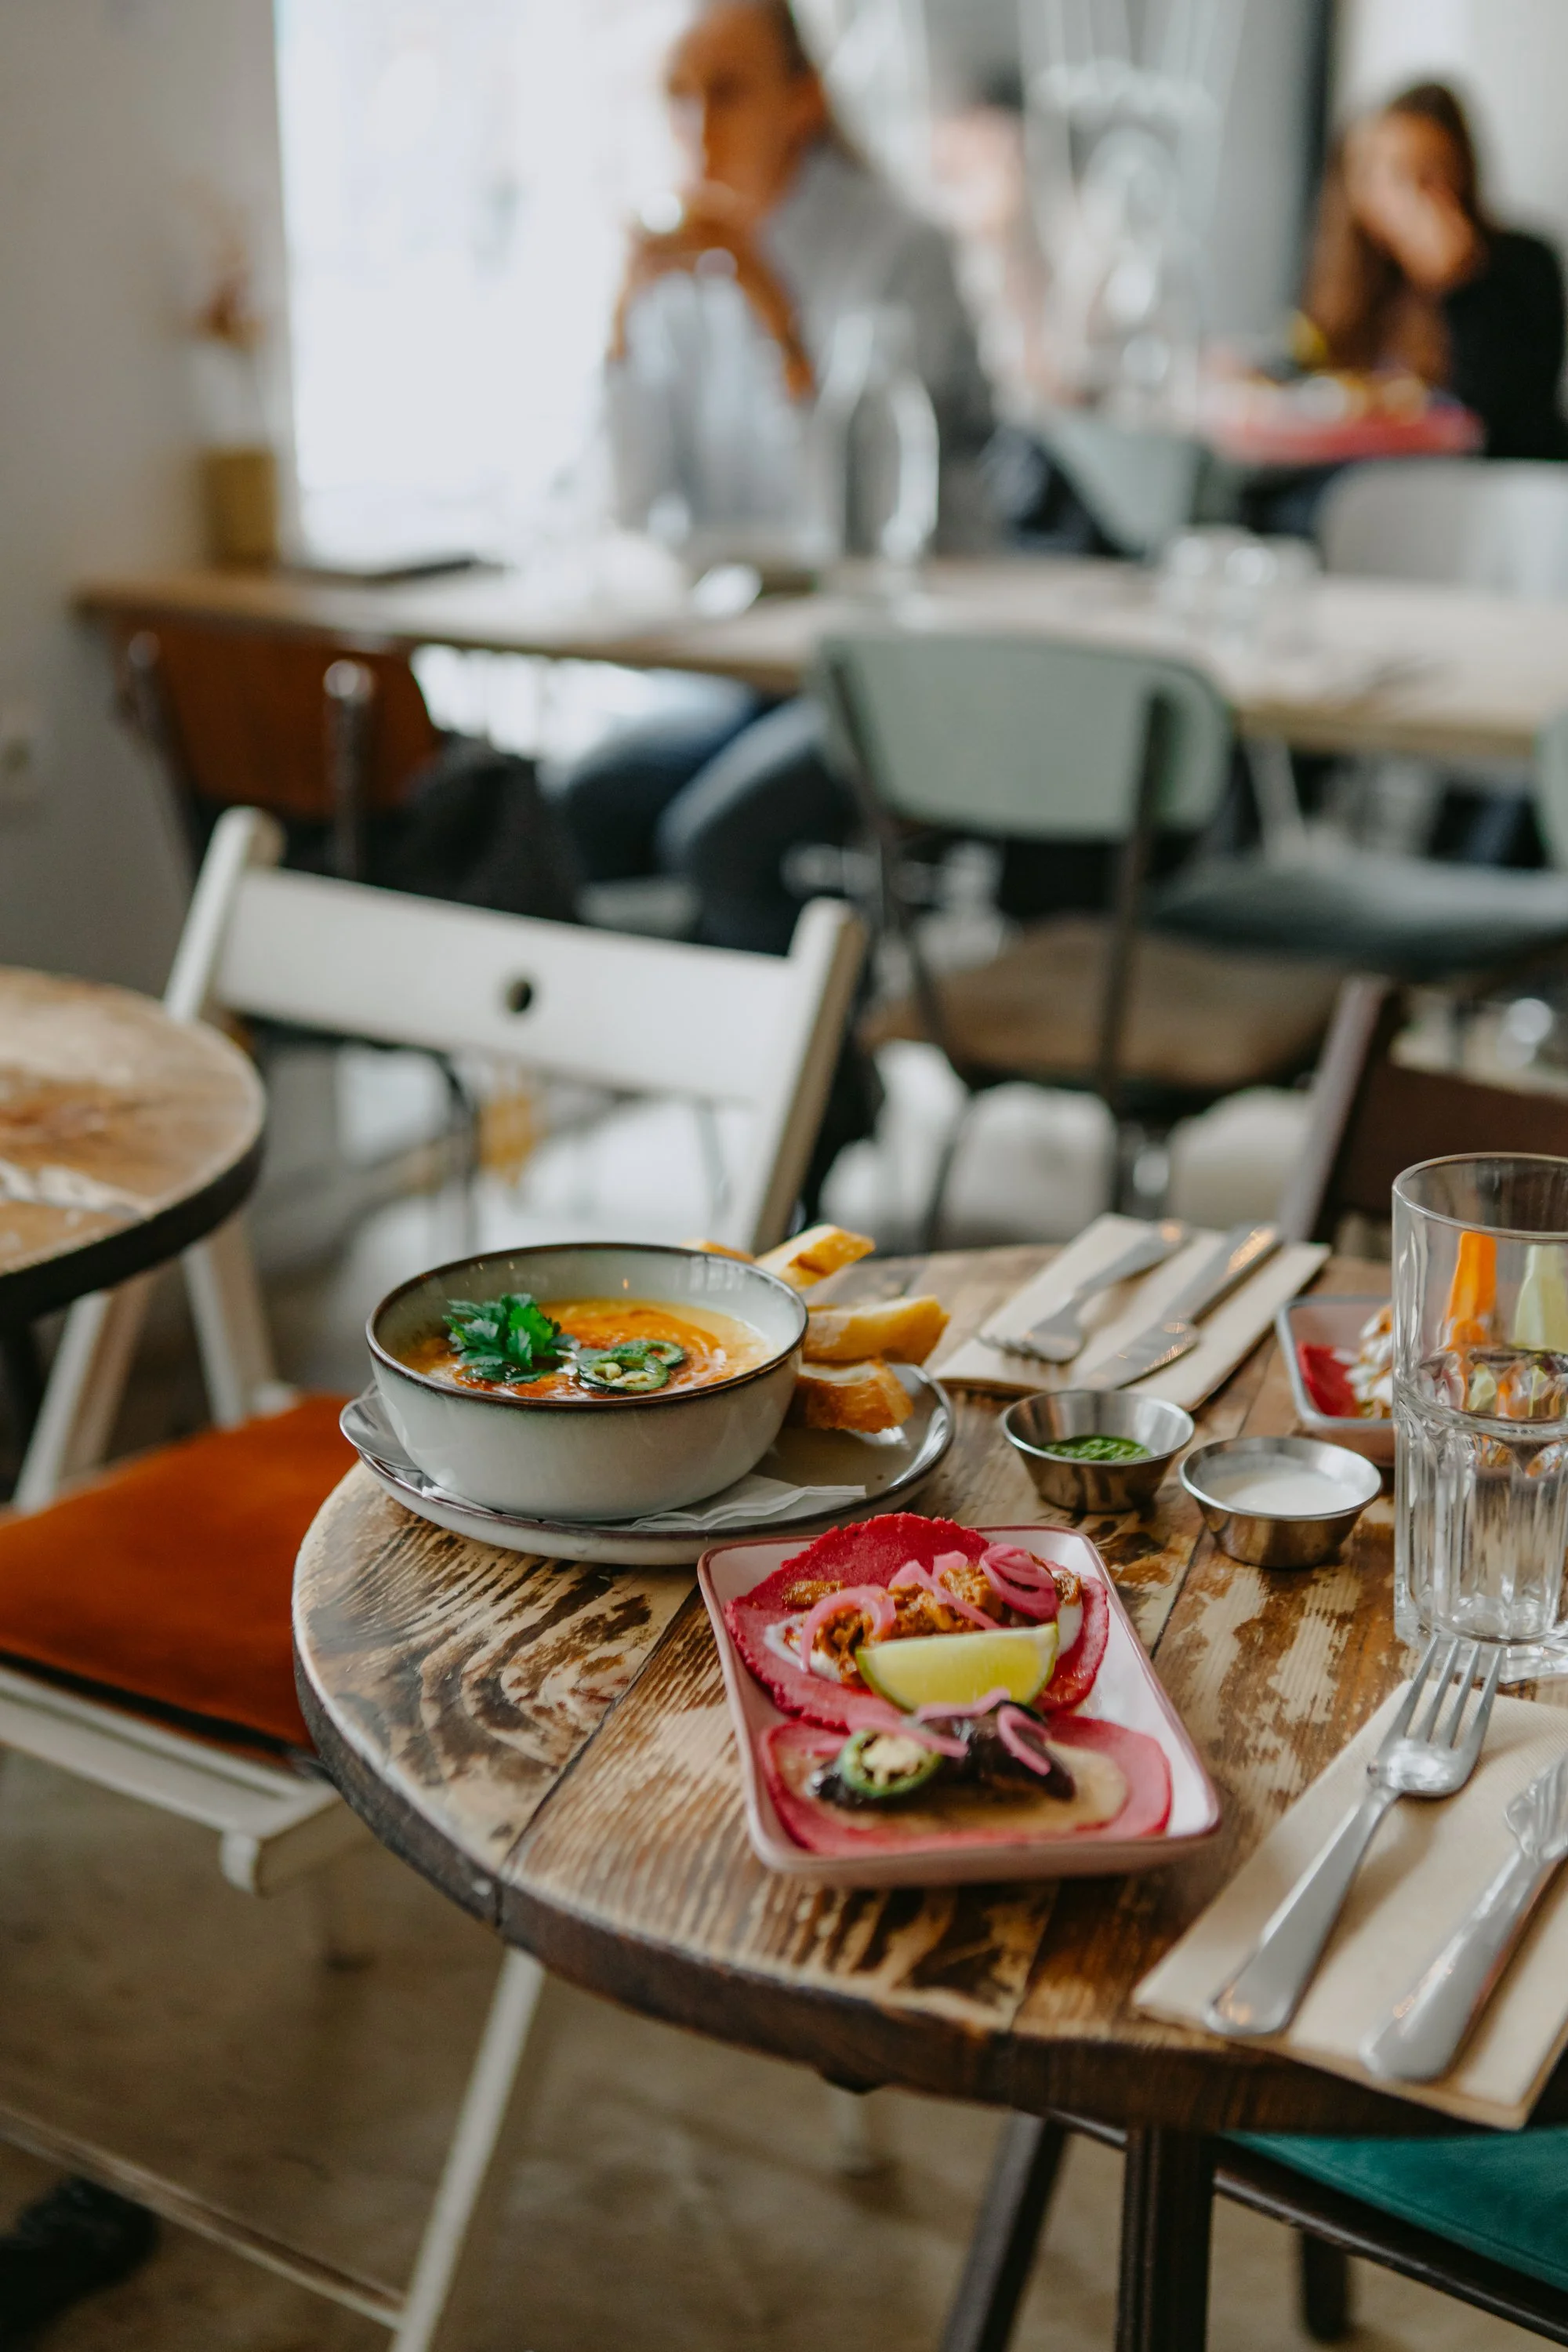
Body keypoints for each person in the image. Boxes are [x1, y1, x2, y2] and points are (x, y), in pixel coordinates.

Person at [548, 0, 996, 960]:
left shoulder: (898, 250)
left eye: (725, 90)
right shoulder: (675, 262)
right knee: (575, 807)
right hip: (755, 670)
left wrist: (775, 318)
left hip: (898, 676)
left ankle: (819, 1101)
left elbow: (866, 524)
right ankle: (712, 1072)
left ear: (802, 102)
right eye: (676, 95)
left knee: (718, 840)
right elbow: (631, 509)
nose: (694, 125)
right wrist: (622, 331)